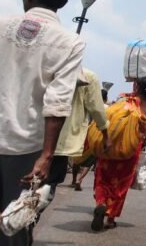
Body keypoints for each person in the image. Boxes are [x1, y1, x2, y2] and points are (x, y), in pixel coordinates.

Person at [0, 0, 85, 246]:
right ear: (62, 3)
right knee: (14, 224)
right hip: (24, 148)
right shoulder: (69, 42)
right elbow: (57, 101)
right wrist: (47, 155)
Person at [91, 77, 146, 231]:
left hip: (110, 145)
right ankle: (110, 218)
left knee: (103, 178)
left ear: (136, 86)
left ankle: (101, 203)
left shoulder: (123, 100)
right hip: (130, 150)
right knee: (121, 184)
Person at [46, 68, 109, 197]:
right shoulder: (88, 76)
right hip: (61, 140)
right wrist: (106, 135)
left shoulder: (45, 67)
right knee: (47, 187)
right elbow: (96, 109)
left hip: (30, 139)